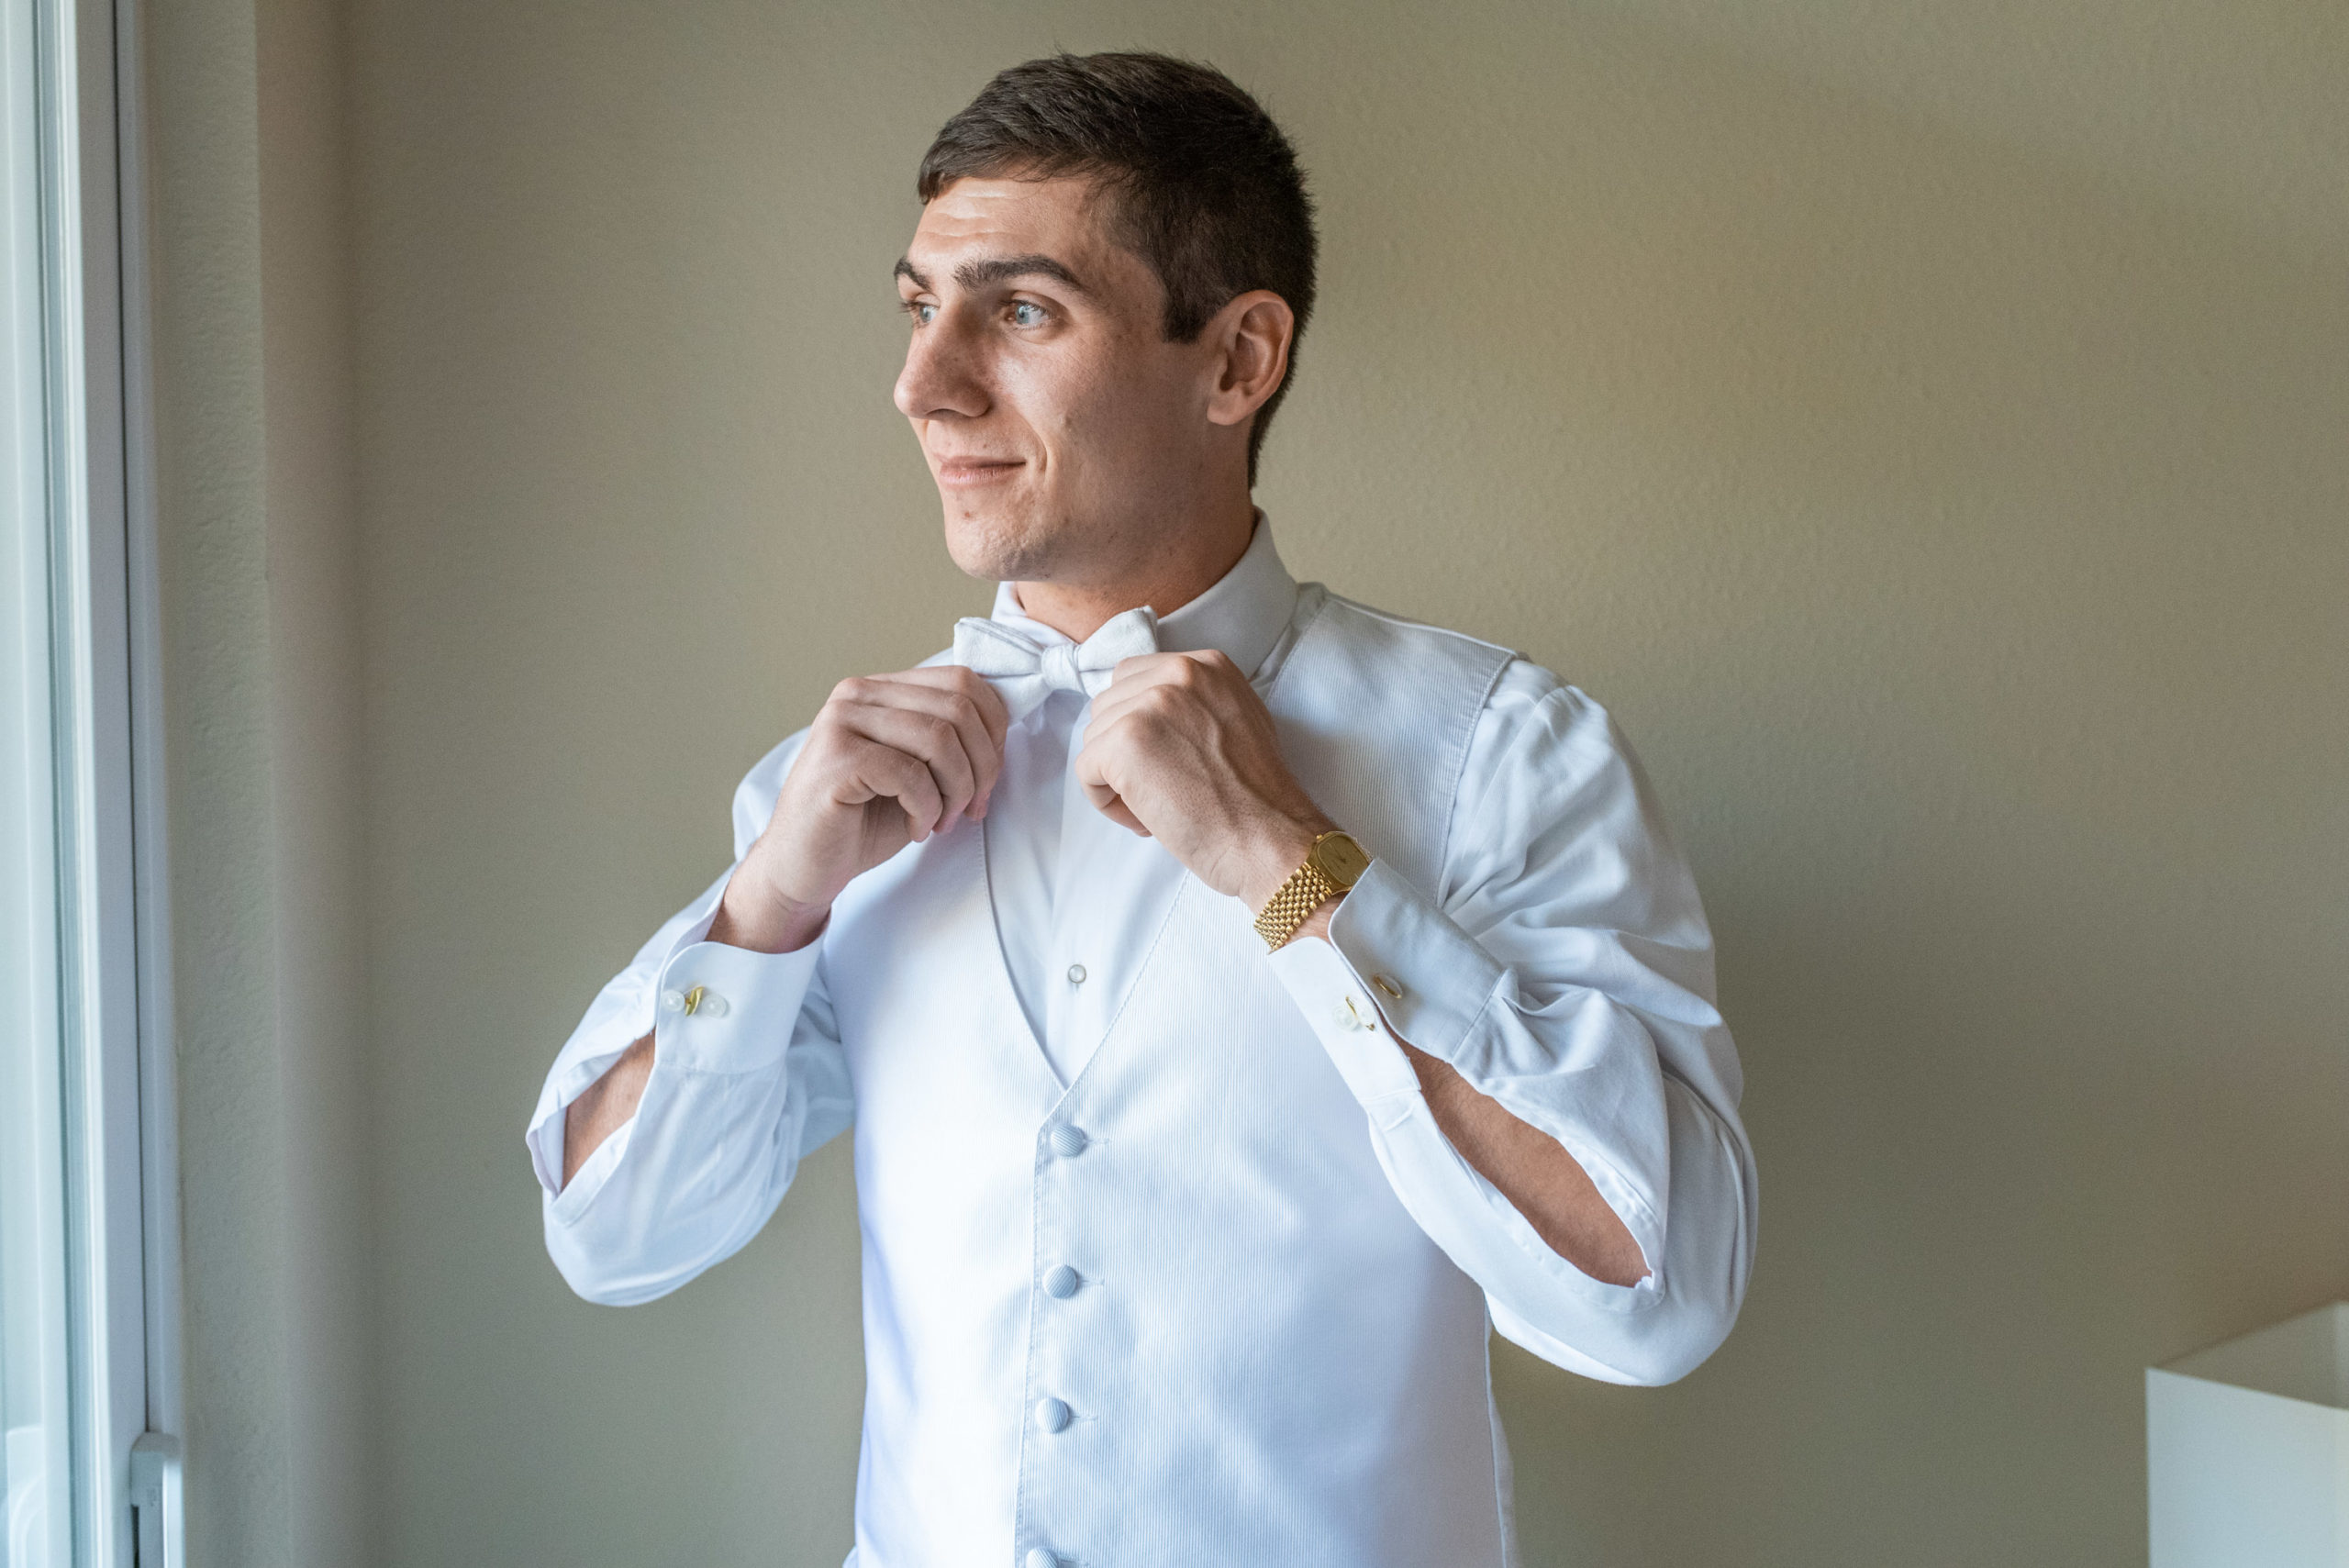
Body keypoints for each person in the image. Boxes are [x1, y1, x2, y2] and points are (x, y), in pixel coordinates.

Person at [527, 50, 1755, 1568]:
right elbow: (610, 1235)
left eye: (1021, 312)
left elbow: (1656, 1297)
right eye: (919, 307)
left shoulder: (1502, 756)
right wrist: (765, 904)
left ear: (1238, 359)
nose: (924, 385)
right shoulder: (837, 801)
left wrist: (1293, 861)